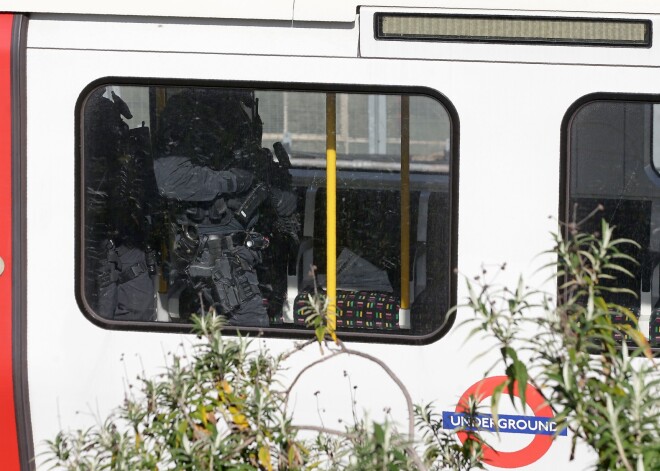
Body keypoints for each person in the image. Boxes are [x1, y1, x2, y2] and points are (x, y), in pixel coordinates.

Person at [154, 88, 298, 327]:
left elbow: (249, 166)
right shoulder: (188, 110)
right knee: (252, 335)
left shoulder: (234, 109)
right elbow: (171, 181)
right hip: (216, 256)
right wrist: (233, 180)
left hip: (242, 251)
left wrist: (273, 182)